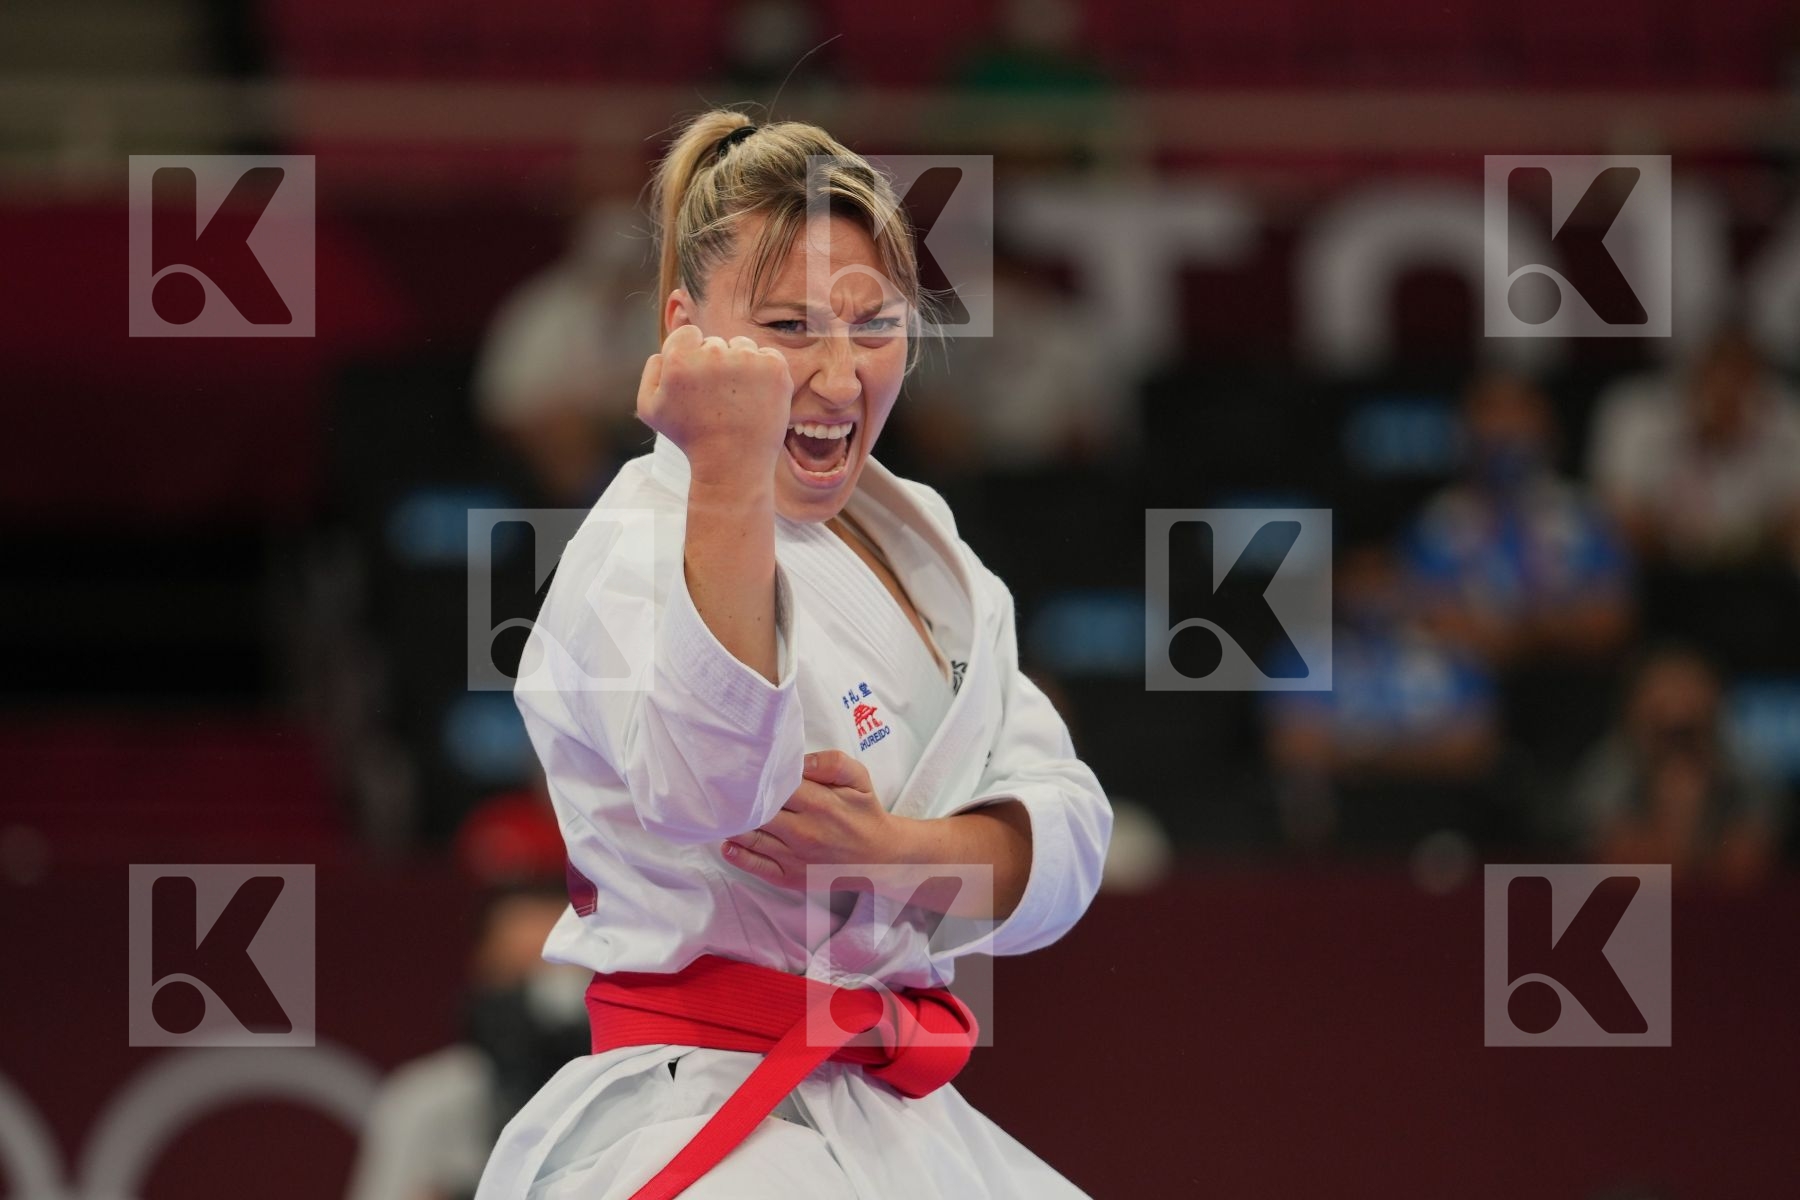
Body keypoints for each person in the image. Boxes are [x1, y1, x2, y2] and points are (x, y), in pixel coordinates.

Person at [474, 111, 1112, 1199]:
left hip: (894, 1111)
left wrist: (889, 851)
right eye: (788, 326)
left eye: (875, 326)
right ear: (685, 331)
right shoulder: (633, 545)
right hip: (698, 1097)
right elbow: (712, 791)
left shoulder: (930, 550)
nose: (838, 373)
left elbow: (1067, 842)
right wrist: (724, 472)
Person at [1567, 646, 1787, 889]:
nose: (1677, 713)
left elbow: (1748, 867)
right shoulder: (1605, 773)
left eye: (1689, 729)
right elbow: (1619, 866)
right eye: (1664, 726)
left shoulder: (1750, 772)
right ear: (1633, 712)